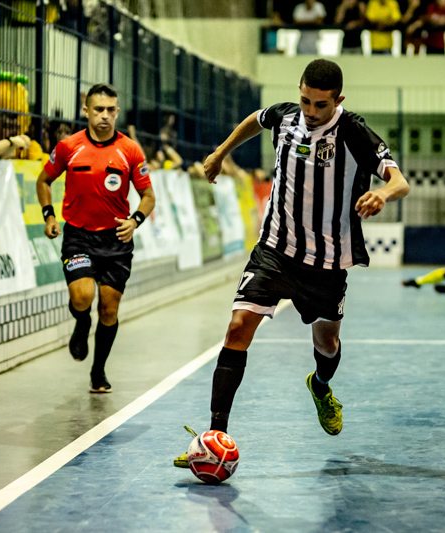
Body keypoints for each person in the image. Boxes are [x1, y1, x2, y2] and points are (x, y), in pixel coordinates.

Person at [173, 59, 410, 467]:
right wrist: (220, 151)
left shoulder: (353, 130)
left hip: (328, 263)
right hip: (276, 251)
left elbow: (399, 180)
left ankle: (319, 386)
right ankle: (214, 436)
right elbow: (256, 119)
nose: (311, 111)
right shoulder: (286, 116)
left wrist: (383, 194)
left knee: (327, 345)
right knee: (236, 327)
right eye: (305, 101)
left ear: (338, 100)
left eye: (320, 105)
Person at [36, 83, 156, 393]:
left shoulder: (130, 150)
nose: (104, 116)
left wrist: (135, 221)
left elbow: (148, 196)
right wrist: (49, 214)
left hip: (117, 240)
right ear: (86, 111)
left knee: (109, 309)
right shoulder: (68, 146)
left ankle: (98, 370)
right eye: (98, 109)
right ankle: (81, 322)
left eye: (110, 110)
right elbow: (44, 180)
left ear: (117, 112)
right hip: (79, 236)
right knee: (82, 298)